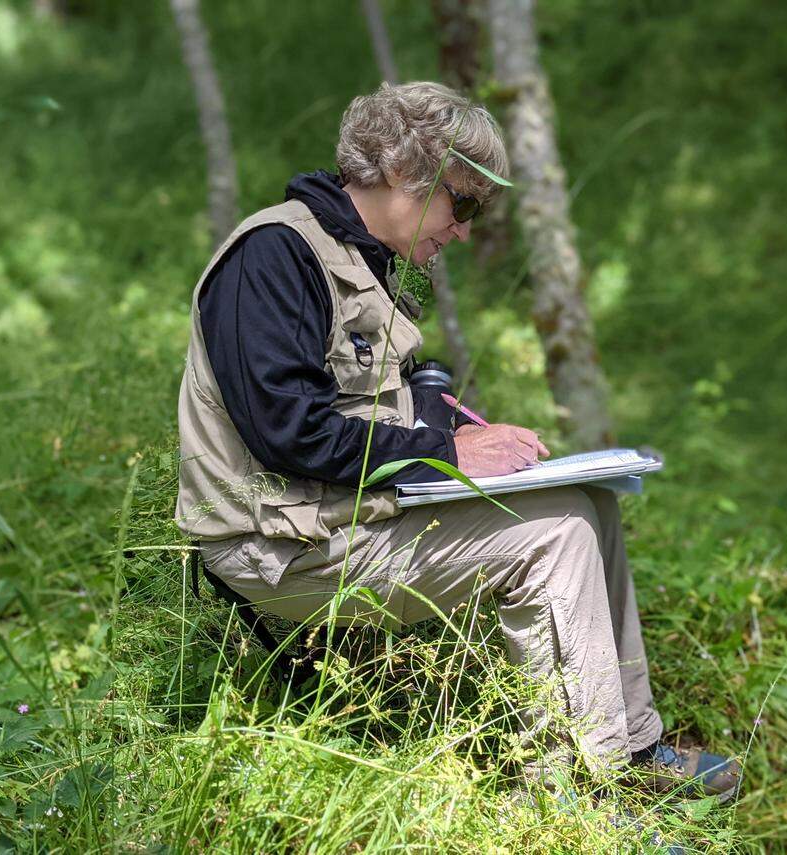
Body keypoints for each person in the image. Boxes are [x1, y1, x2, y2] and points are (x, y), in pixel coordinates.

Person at [175, 81, 737, 799]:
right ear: (408, 174)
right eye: (463, 204)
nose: (466, 229)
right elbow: (290, 431)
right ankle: (585, 803)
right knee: (555, 535)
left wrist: (449, 425)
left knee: (590, 504)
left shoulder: (358, 256)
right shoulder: (274, 257)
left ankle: (631, 747)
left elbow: (373, 406)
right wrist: (442, 450)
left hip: (338, 517)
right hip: (276, 547)